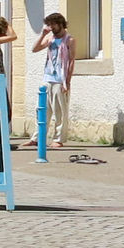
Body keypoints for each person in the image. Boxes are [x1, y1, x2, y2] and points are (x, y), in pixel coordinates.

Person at [32, 12, 75, 148]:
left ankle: (58, 139)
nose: (51, 27)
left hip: (59, 79)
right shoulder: (50, 38)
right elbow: (35, 49)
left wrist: (67, 82)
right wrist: (43, 35)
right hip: (47, 77)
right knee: (41, 109)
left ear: (60, 24)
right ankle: (37, 137)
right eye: (49, 24)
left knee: (59, 111)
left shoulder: (69, 40)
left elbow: (72, 60)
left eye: (53, 24)